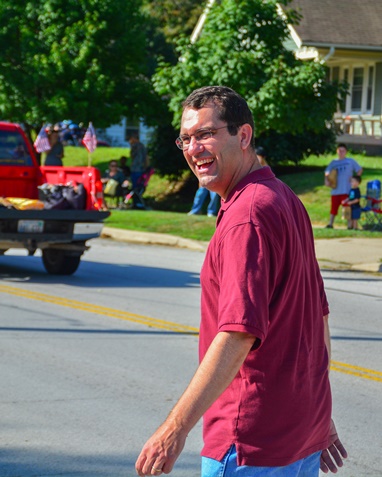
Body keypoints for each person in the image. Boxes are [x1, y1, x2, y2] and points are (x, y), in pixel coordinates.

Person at [135, 86, 347, 477]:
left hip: (249, 445)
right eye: (186, 137)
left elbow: (237, 333)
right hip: (298, 438)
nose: (193, 148)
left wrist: (174, 429)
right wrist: (318, 415)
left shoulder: (247, 216)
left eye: (206, 134)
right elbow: (319, 319)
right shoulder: (283, 199)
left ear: (243, 136)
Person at [324, 144, 362, 228]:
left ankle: (349, 225)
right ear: (337, 151)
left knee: (347, 207)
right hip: (335, 189)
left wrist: (355, 179)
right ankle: (330, 224)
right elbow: (327, 172)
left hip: (346, 189)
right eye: (339, 151)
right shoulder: (334, 162)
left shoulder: (350, 161)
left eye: (343, 151)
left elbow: (359, 169)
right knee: (334, 208)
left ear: (346, 152)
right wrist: (327, 180)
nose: (341, 152)